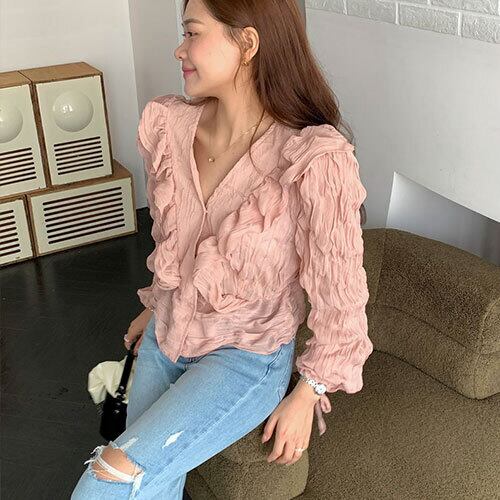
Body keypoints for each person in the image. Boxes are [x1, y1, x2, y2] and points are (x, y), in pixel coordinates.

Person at [71, 0, 373, 498]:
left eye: (192, 33)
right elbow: (174, 242)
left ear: (247, 43)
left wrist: (308, 392)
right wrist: (157, 305)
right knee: (151, 485)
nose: (179, 49)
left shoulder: (313, 158)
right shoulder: (171, 127)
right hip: (167, 336)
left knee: (108, 478)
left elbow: (340, 296)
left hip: (245, 357)